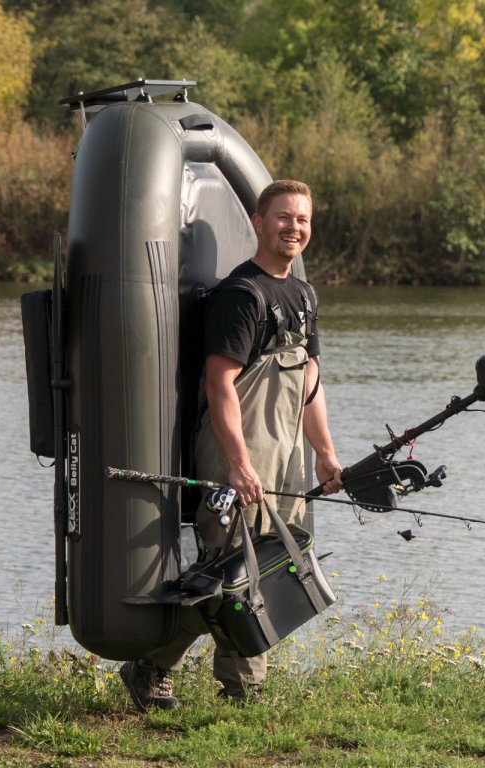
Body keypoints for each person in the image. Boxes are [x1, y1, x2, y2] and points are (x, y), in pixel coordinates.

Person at [120, 179, 344, 710]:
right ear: (258, 223)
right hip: (236, 454)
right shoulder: (242, 296)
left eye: (303, 219)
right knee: (233, 574)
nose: (294, 227)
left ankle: (159, 668)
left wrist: (324, 452)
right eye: (284, 217)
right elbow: (220, 383)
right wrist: (239, 464)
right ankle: (235, 689)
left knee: (269, 569)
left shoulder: (303, 295)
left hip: (285, 455)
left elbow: (309, 382)